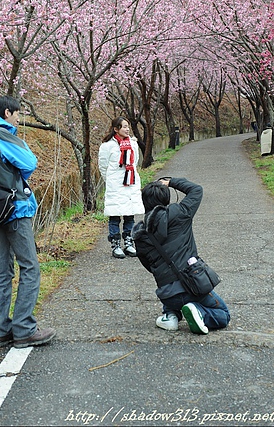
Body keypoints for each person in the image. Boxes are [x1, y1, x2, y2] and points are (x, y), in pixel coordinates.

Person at [0, 95, 55, 349]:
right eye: (18, 114)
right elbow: (29, 162)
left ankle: (0, 330)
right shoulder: (2, 132)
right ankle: (24, 329)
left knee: (2, 270)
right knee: (30, 267)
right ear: (7, 112)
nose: (19, 119)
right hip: (15, 208)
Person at [132, 177, 230, 334]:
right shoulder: (180, 213)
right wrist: (170, 182)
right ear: (166, 198)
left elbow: (150, 266)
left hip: (167, 295)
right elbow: (196, 190)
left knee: (168, 276)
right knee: (223, 315)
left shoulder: (140, 235)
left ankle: (171, 315)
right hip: (194, 287)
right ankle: (199, 312)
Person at [98, 117, 145, 258]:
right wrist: (112, 180)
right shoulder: (107, 146)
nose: (127, 129)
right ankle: (115, 244)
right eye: (124, 127)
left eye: (127, 126)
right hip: (115, 184)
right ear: (116, 129)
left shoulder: (133, 144)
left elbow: (135, 162)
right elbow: (103, 166)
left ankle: (129, 242)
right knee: (115, 215)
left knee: (129, 214)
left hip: (130, 183)